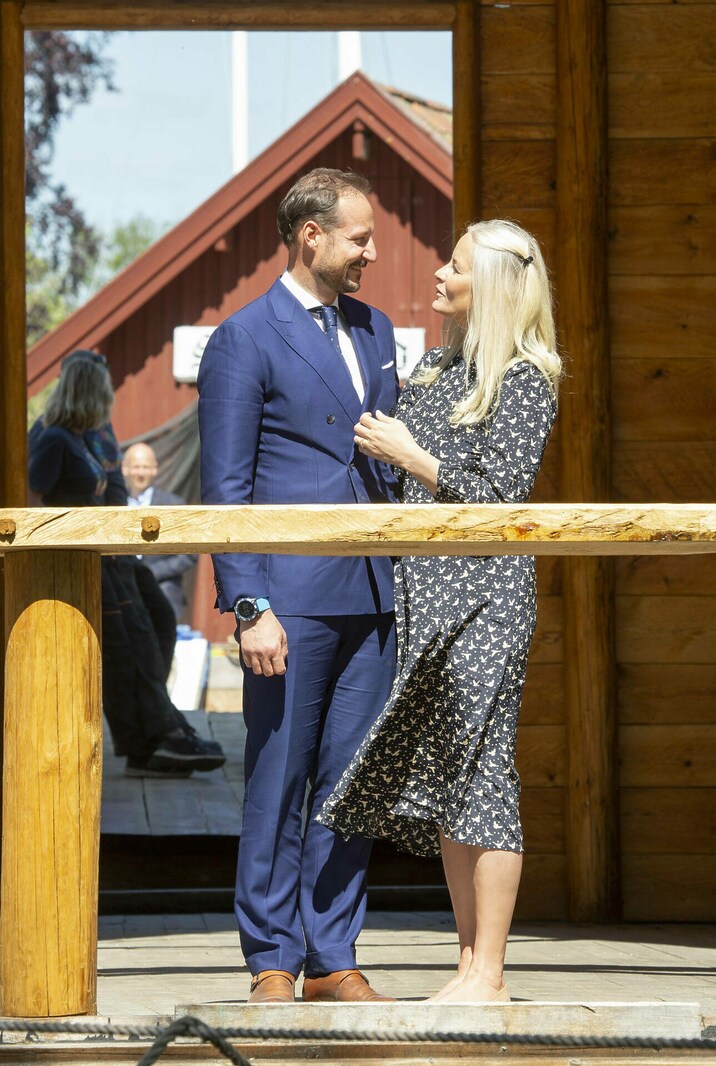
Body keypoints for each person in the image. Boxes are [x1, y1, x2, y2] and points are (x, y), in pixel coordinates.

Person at [319, 219, 561, 1003]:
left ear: (486, 286)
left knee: (484, 772)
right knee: (455, 772)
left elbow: (498, 495)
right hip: (426, 594)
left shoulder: (524, 376)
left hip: (485, 596)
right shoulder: (435, 365)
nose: (436, 272)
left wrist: (410, 455)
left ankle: (488, 973)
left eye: (453, 266)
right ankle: (467, 967)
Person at [198, 168, 400, 1005]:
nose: (373, 253)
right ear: (310, 235)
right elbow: (225, 487)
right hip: (287, 601)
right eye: (360, 237)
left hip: (374, 597)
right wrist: (249, 606)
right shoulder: (244, 338)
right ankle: (271, 959)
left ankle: (333, 955)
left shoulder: (378, 327)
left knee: (353, 782)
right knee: (279, 778)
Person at [28, 356, 226, 779]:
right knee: (128, 645)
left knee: (158, 621)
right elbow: (29, 496)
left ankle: (161, 727)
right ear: (88, 392)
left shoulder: (85, 437)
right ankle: (158, 736)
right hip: (84, 558)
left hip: (115, 553)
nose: (109, 399)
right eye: (103, 391)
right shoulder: (52, 438)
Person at [122, 441, 198, 622]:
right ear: (125, 469)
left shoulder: (173, 504)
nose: (140, 473)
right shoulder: (113, 503)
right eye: (136, 467)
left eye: (145, 467)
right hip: (123, 589)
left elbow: (190, 554)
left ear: (154, 469)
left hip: (163, 587)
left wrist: (152, 572)